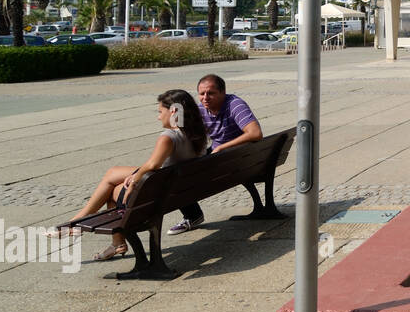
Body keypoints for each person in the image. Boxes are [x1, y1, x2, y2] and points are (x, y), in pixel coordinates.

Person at [52, 90, 208, 261]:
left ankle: (80, 223)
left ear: (172, 112)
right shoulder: (198, 132)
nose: (158, 117)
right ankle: (90, 228)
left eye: (160, 112)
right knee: (113, 173)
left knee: (112, 189)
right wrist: (137, 174)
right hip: (181, 187)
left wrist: (134, 178)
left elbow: (153, 165)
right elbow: (156, 165)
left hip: (162, 192)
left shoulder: (169, 137)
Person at [169, 74, 263, 233]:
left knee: (176, 175)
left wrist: (222, 147)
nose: (205, 98)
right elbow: (178, 132)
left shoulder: (234, 105)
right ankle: (193, 215)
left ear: (223, 92)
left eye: (211, 93)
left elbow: (255, 133)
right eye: (201, 94)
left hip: (235, 162)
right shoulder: (201, 109)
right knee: (179, 166)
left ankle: (192, 216)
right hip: (230, 160)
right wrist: (175, 116)